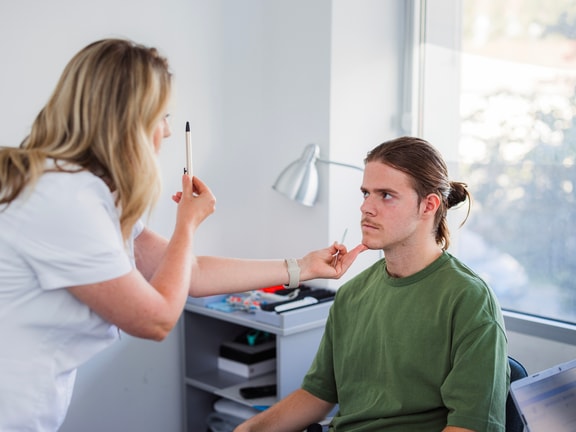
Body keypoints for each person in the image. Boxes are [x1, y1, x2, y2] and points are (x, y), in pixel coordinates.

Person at [0, 38, 365, 432]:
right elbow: (156, 319)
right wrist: (186, 224)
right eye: (162, 116)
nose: (168, 131)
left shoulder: (84, 192)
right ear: (128, 121)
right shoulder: (64, 200)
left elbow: (192, 272)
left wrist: (302, 267)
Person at [235, 137, 509, 432]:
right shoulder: (352, 294)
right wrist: (248, 430)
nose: (366, 207)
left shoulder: (469, 300)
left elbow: (472, 426)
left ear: (428, 205)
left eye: (386, 195)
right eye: (366, 193)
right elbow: (317, 393)